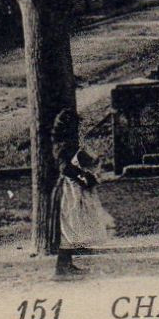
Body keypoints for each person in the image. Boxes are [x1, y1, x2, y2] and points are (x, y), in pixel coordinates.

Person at [44, 109, 97, 277]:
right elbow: (65, 168)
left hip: (69, 187)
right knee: (67, 227)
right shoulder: (62, 145)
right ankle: (62, 268)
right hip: (66, 189)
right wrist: (83, 178)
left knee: (70, 226)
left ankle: (66, 264)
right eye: (75, 126)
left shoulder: (64, 143)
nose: (77, 129)